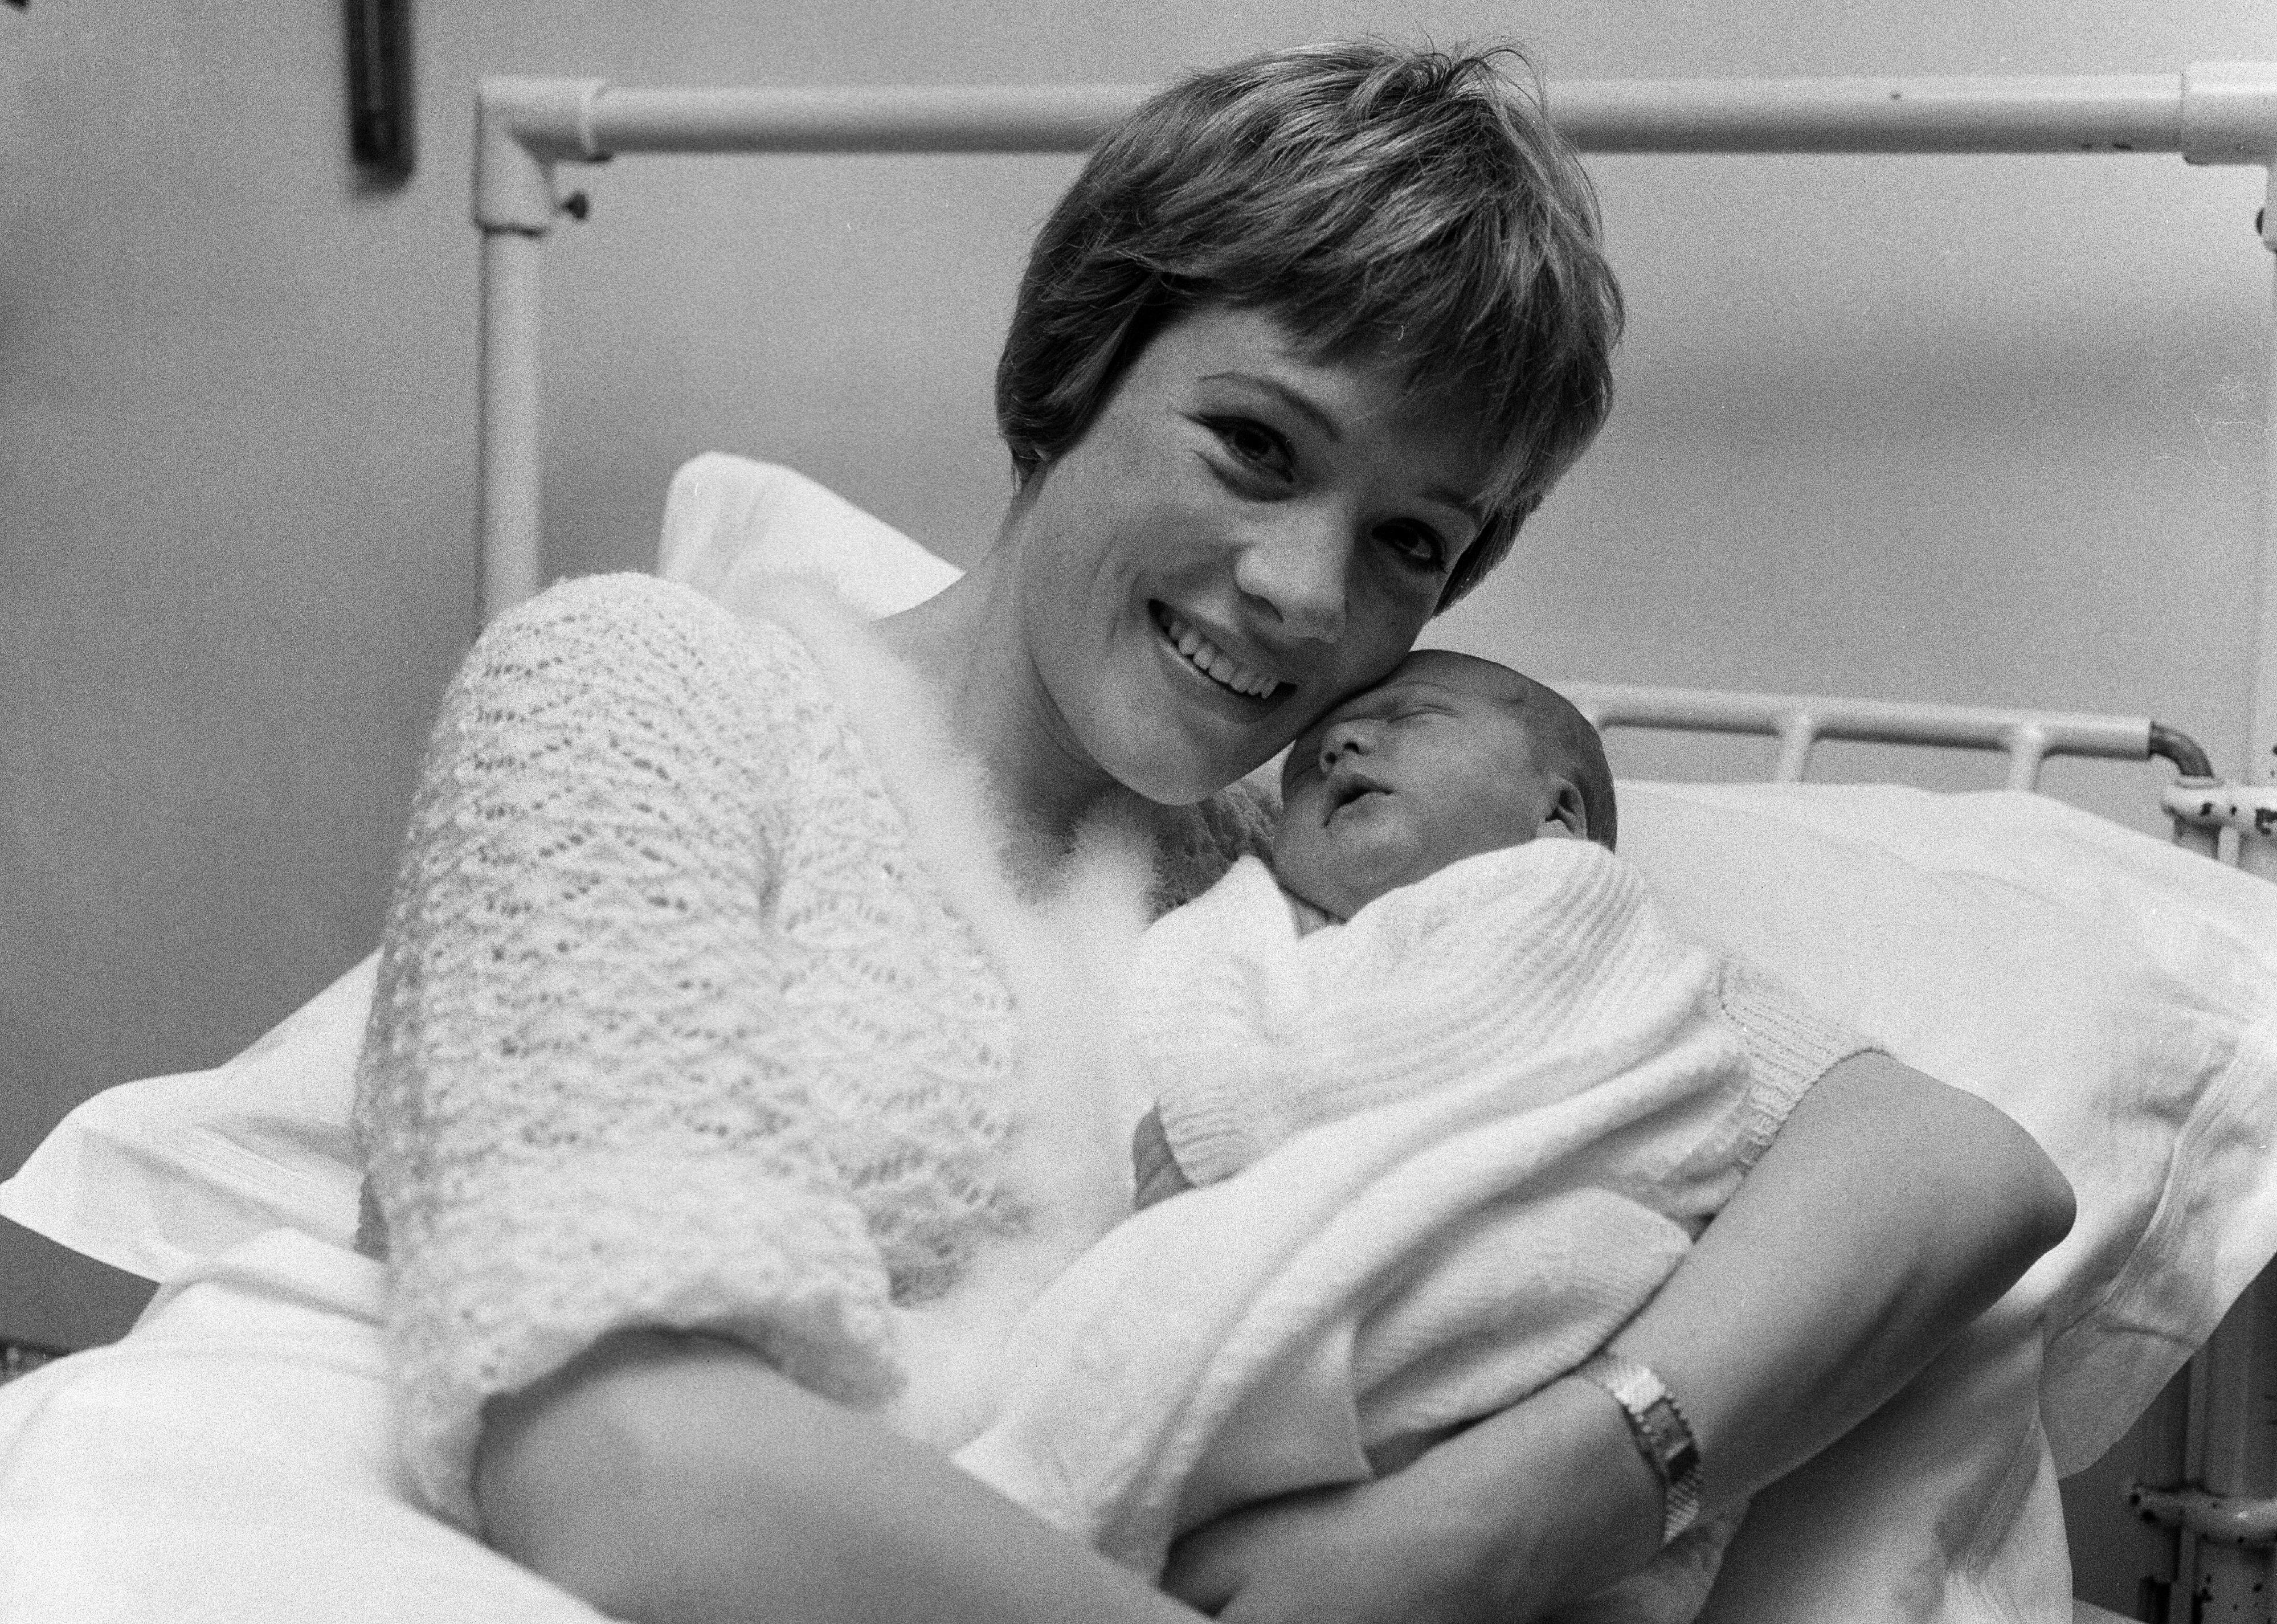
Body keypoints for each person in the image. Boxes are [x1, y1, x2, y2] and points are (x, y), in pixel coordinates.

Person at [350, 39, 2075, 1624]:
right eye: (1257, 445)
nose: (1308, 593)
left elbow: (1952, 1165)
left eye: (1413, 540)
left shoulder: (1320, 879)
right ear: (1073, 370)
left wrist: (1540, 1501)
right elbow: (625, 1464)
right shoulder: (643, 693)